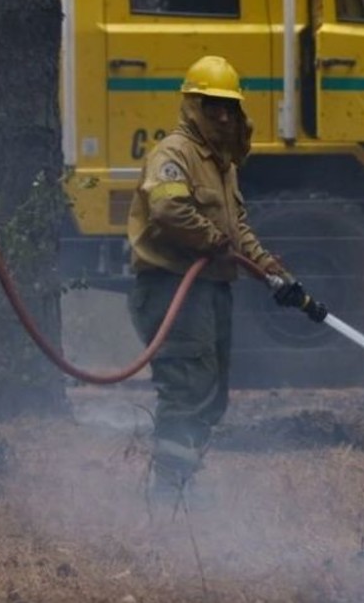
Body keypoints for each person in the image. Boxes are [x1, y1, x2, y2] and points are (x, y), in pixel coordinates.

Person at [126, 55, 321, 504]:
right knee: (187, 388)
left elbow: (236, 232)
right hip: (172, 287)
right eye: (210, 105)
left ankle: (183, 482)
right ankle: (168, 493)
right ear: (191, 105)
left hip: (210, 289)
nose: (220, 115)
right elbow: (168, 209)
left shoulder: (222, 164)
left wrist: (267, 266)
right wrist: (210, 238)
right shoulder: (174, 153)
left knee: (211, 395)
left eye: (228, 107)